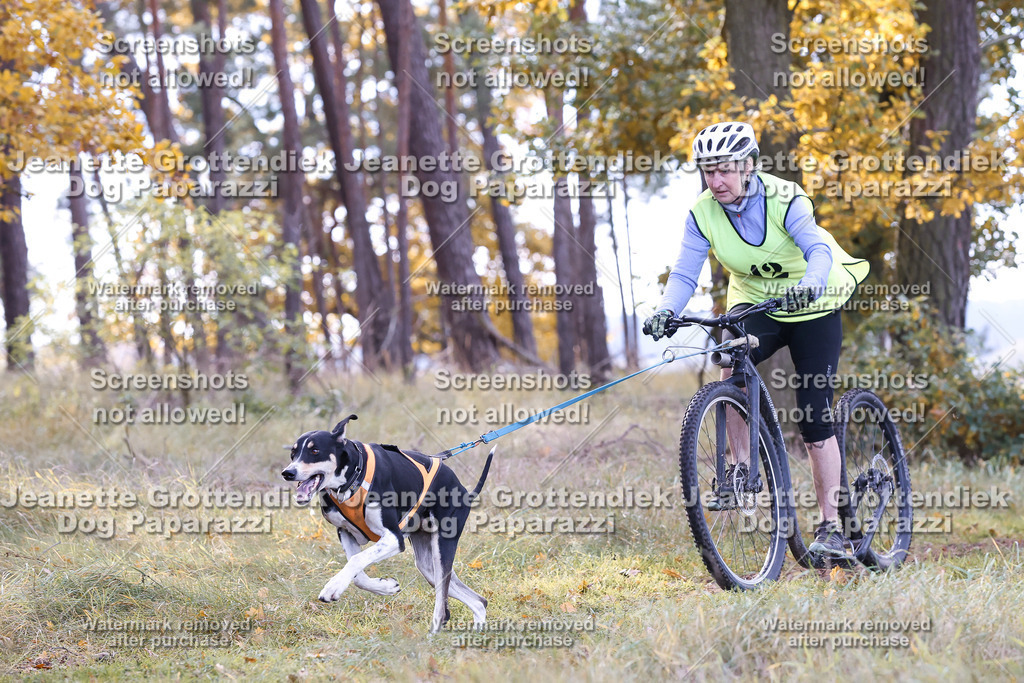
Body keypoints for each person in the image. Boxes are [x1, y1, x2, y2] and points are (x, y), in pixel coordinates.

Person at [644, 121, 869, 557]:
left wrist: (813, 282)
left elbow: (817, 249)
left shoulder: (785, 198)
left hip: (812, 306)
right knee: (729, 361)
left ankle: (830, 528)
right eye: (708, 170)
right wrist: (666, 310)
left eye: (725, 169)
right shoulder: (702, 213)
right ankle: (740, 472)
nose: (716, 180)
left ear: (748, 166)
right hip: (757, 305)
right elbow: (686, 272)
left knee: (815, 417)